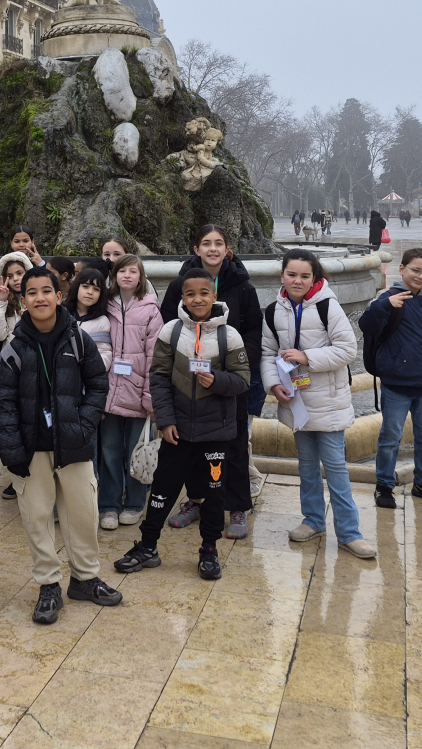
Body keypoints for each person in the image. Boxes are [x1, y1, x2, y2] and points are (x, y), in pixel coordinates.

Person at [0, 266, 122, 623]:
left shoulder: (78, 339)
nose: (40, 298)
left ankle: (85, 578)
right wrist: (11, 449)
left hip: (74, 442)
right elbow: (3, 402)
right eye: (32, 292)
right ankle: (48, 584)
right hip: (31, 446)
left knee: (83, 513)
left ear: (57, 294)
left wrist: (84, 426)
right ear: (24, 300)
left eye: (46, 291)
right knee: (37, 517)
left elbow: (98, 383)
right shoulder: (14, 347)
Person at [114, 269, 252, 581]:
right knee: (162, 490)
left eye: (204, 293)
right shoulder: (171, 332)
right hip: (177, 432)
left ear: (214, 296)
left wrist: (217, 380)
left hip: (216, 434)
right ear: (182, 298)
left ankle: (209, 549)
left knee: (214, 495)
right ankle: (148, 546)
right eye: (190, 294)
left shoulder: (229, 336)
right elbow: (159, 377)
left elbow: (243, 381)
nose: (197, 299)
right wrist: (165, 420)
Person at [261, 249, 376, 557]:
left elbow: (347, 350)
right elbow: (267, 352)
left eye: (304, 275)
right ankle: (313, 520)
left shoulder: (328, 306)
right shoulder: (274, 310)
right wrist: (273, 383)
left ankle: (350, 533)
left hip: (329, 401)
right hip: (297, 401)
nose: (297, 280)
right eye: (292, 274)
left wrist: (306, 357)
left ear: (315, 277)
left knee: (337, 470)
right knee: (308, 467)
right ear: (282, 275)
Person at [159, 224, 264, 539]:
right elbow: (169, 326)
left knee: (233, 447)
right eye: (206, 243)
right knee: (191, 445)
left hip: (229, 382)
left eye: (219, 243)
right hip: (188, 382)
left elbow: (254, 333)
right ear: (196, 249)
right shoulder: (180, 283)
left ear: (227, 248)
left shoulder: (243, 286)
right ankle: (196, 501)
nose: (213, 248)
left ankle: (236, 508)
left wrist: (235, 366)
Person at [362, 247, 422, 509]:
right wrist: (384, 305)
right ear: (401, 269)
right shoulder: (389, 298)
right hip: (396, 383)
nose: (421, 277)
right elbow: (366, 326)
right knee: (390, 437)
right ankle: (384, 485)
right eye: (415, 270)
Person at [100, 255, 161, 530]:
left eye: (132, 271)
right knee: (110, 450)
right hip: (110, 392)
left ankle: (135, 503)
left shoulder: (150, 309)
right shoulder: (104, 305)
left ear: (141, 276)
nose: (127, 275)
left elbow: (155, 356)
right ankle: (109, 505)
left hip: (137, 391)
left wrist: (150, 396)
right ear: (114, 275)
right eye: (121, 270)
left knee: (136, 450)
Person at [0, 250, 33, 498]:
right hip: (12, 371)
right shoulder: (4, 305)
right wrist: (1, 301)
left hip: (35, 371)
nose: (16, 279)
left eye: (20, 273)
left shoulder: (38, 298)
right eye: (10, 275)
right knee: (13, 424)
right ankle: (17, 475)